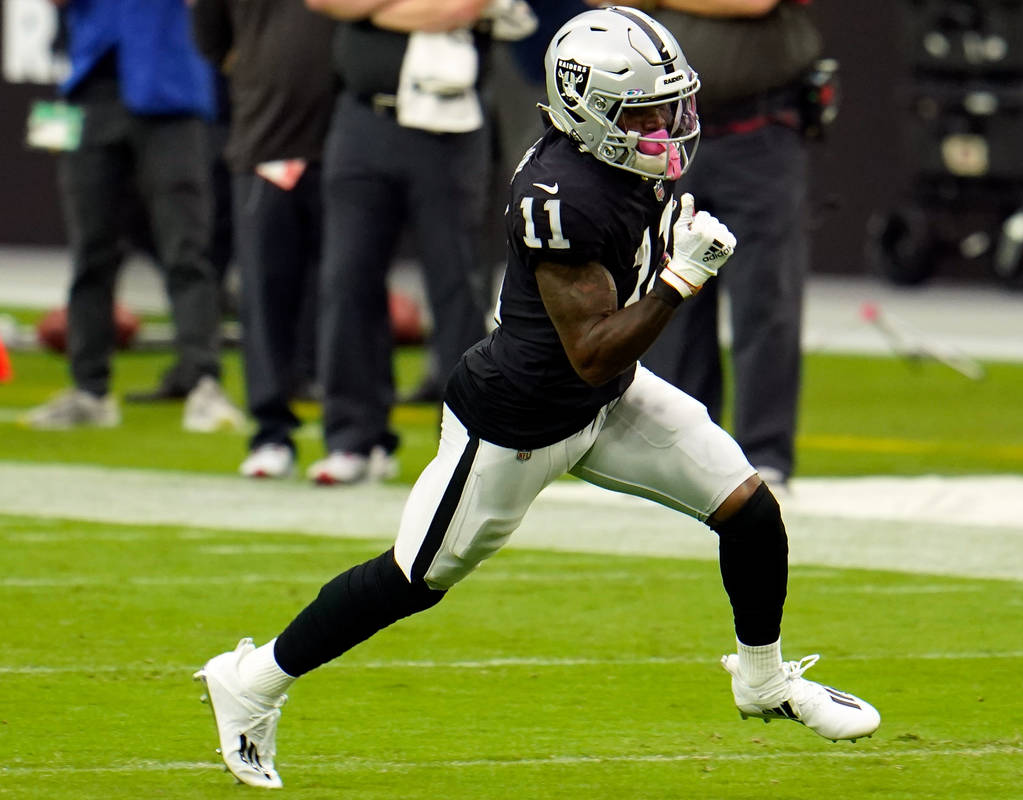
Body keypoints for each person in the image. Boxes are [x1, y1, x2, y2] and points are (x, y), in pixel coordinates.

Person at [194, 7, 878, 789]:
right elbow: (589, 354)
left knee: (751, 512)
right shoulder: (561, 194)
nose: (667, 127)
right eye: (645, 112)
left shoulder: (616, 159)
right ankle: (250, 683)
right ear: (590, 112)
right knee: (413, 579)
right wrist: (681, 280)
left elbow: (602, 366)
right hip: (518, 422)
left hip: (606, 400)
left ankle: (762, 680)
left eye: (671, 105)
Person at [611, 0, 825, 491]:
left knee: (765, 298)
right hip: (659, 132)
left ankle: (763, 458)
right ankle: (680, 457)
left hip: (757, 129)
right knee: (665, 293)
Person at [298, 0, 503, 484]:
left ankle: (468, 442)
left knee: (455, 285)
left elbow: (463, 7)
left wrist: (373, 11)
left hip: (449, 130)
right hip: (363, 117)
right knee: (346, 278)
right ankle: (352, 437)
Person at [23, 0, 244, 434]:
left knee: (187, 249)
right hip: (90, 91)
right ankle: (89, 390)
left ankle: (203, 384)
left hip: (171, 93)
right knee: (91, 252)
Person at [190, 0, 337, 479]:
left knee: (349, 294)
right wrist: (263, 71)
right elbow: (213, 41)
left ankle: (355, 436)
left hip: (346, 145)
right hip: (265, 140)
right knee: (263, 295)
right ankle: (271, 433)